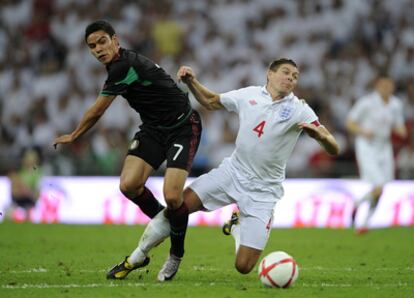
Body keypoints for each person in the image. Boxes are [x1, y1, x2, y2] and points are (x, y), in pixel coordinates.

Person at [106, 58, 340, 281]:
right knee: (178, 207)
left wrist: (322, 137)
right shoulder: (249, 94)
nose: (291, 79)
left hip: (263, 192)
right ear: (270, 74)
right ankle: (135, 258)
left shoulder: (299, 109)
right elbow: (210, 101)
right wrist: (192, 82)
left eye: (295, 76)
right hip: (231, 173)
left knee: (244, 266)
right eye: (286, 73)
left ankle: (238, 227)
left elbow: (333, 148)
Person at [53, 20, 202, 269]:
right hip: (154, 129)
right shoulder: (119, 65)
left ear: (115, 40)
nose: (98, 49)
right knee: (129, 184)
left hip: (183, 127)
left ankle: (175, 255)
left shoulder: (123, 66)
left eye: (102, 41)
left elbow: (98, 109)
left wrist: (75, 134)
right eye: (92, 46)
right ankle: (164, 223)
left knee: (173, 196)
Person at [346, 74, 407, 234]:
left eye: (390, 85)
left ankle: (364, 223)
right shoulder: (366, 103)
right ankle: (358, 204)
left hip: (384, 146)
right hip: (367, 146)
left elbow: (399, 125)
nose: (387, 88)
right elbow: (350, 123)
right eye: (384, 85)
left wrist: (402, 131)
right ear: (377, 86)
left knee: (382, 187)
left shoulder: (396, 104)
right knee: (379, 185)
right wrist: (363, 131)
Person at [7, 147, 44, 221]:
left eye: (31, 158)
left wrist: (28, 191)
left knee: (29, 214)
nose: (28, 160)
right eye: (27, 158)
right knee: (8, 213)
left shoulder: (38, 173)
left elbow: (38, 191)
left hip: (30, 199)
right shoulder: (20, 171)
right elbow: (14, 187)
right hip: (18, 198)